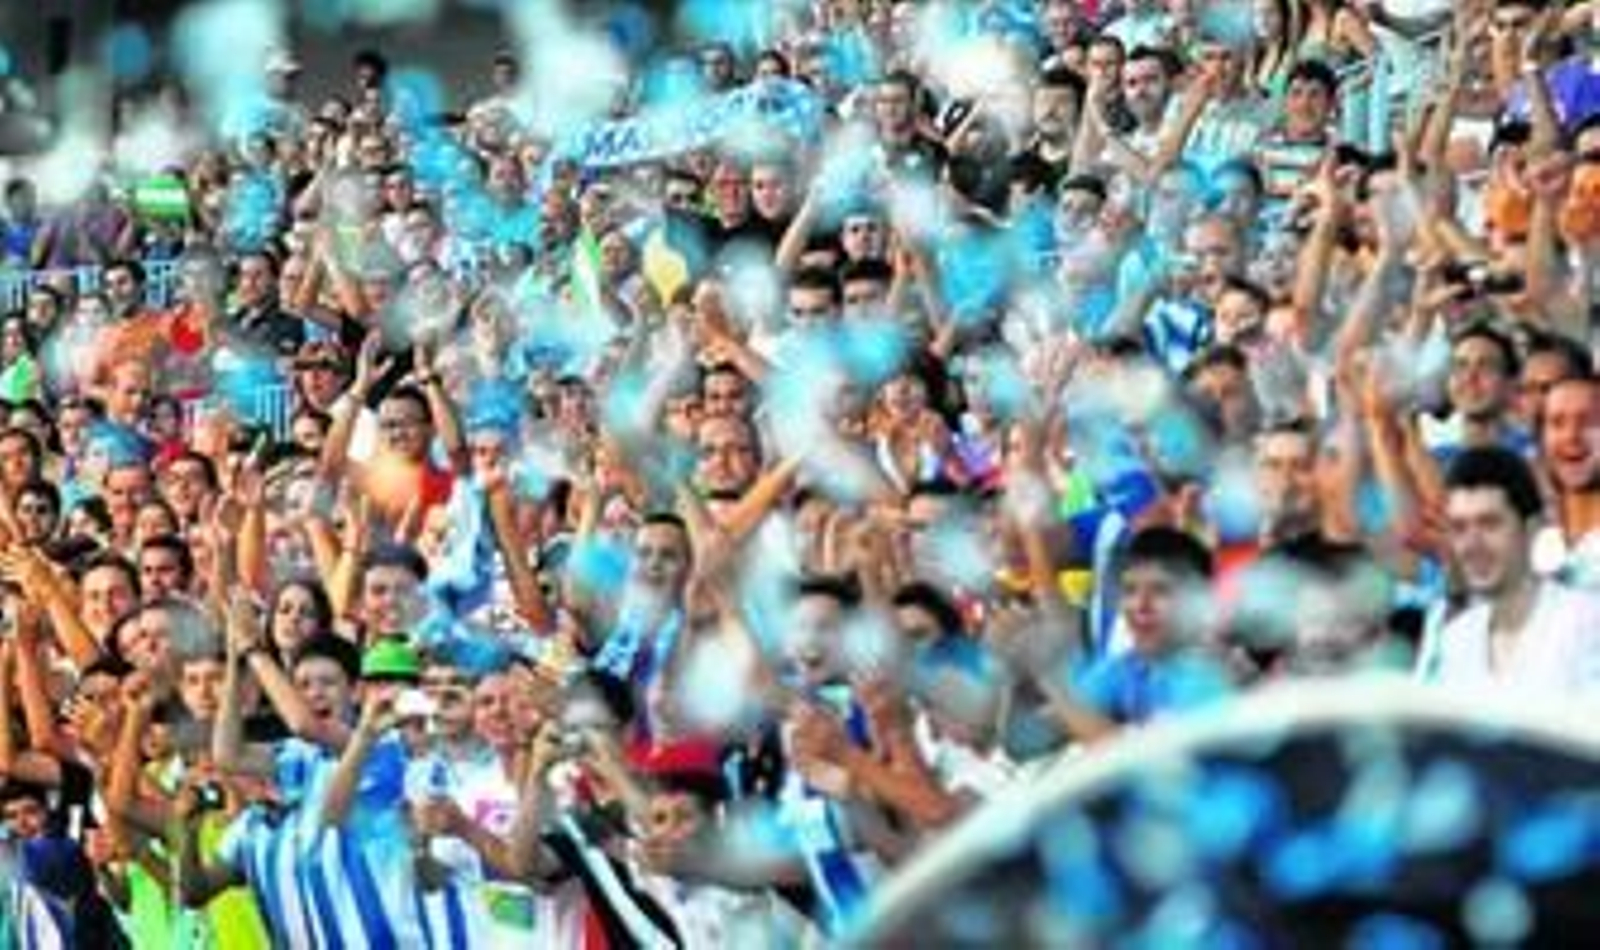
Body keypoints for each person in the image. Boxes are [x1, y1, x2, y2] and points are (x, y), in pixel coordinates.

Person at [1420, 447, 1600, 693]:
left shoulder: (1586, 622)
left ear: (1532, 528)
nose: (1472, 545)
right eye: (1459, 528)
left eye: (1489, 524)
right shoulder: (1455, 641)